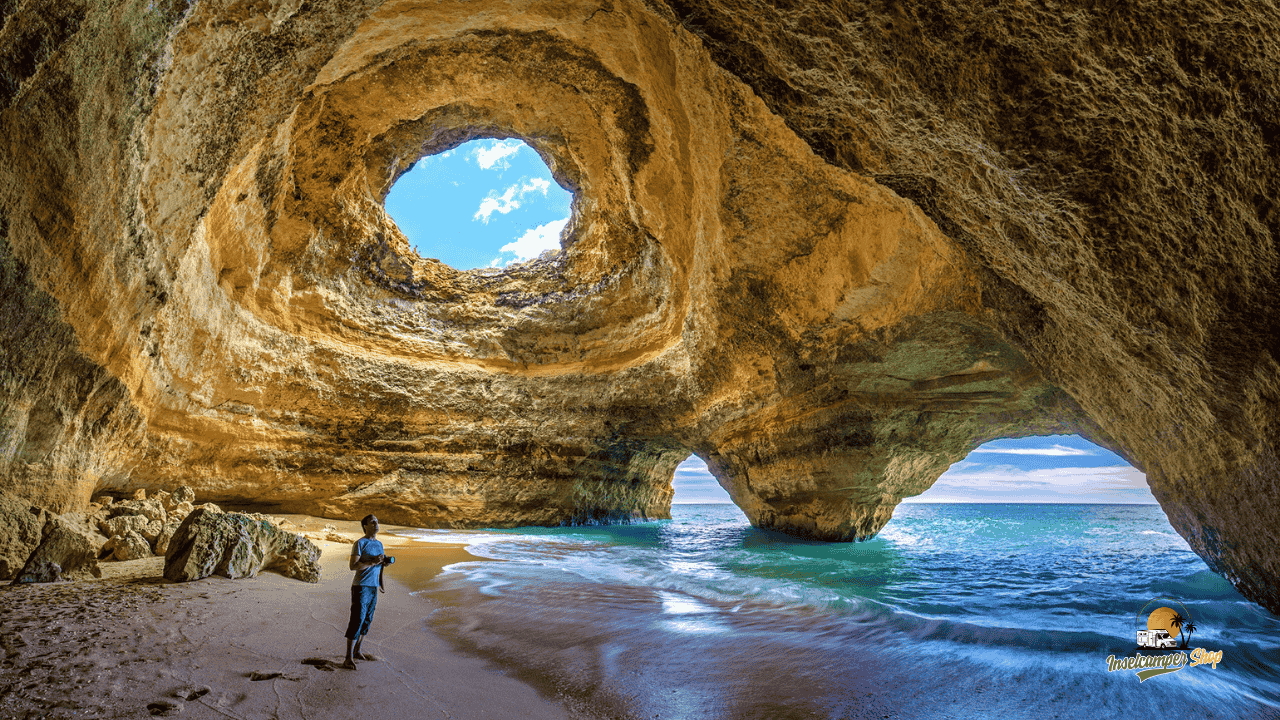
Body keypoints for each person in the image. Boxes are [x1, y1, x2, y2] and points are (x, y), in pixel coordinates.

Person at [342, 514, 389, 670]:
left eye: (377, 521)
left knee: (367, 619)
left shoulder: (380, 544)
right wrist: (372, 562)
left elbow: (378, 566)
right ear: (365, 526)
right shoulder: (359, 543)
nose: (376, 524)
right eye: (372, 522)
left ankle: (357, 650)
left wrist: (382, 565)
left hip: (373, 586)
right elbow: (353, 566)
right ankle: (347, 657)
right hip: (361, 586)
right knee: (357, 619)